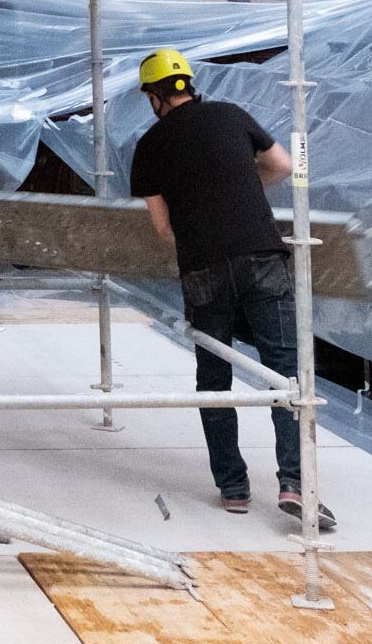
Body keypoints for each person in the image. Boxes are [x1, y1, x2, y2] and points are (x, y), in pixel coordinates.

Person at [128, 48, 335, 529]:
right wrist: (237, 193)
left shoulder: (149, 145)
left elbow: (163, 229)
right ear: (188, 85)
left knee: (214, 376)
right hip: (261, 254)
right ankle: (295, 486)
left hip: (202, 267)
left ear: (154, 96)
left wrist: (203, 219)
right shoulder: (231, 114)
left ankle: (234, 489)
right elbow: (284, 165)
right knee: (286, 372)